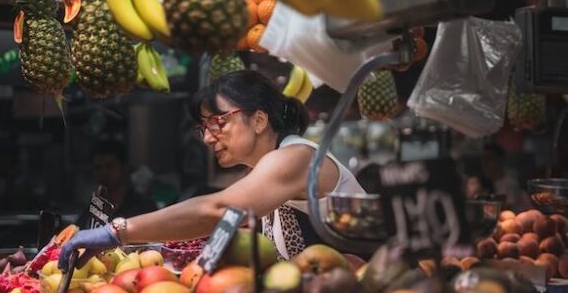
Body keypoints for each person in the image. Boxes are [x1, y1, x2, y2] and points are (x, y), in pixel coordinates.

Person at [59, 70, 365, 270]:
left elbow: (215, 211)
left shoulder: (296, 157)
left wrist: (117, 231)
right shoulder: (261, 171)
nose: (207, 137)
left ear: (259, 120)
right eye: (203, 127)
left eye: (219, 122)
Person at [75, 139, 157, 229]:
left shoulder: (144, 208)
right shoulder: (92, 210)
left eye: (110, 166)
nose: (104, 172)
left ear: (124, 168)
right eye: (98, 168)